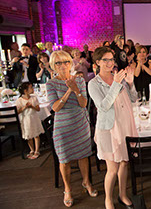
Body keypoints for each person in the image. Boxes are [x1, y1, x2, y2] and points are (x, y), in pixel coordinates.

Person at [88, 47, 138, 209]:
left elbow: (133, 99)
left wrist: (130, 84)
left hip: (124, 126)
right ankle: (108, 199)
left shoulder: (119, 78)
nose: (110, 63)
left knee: (124, 163)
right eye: (106, 60)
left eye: (112, 59)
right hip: (108, 129)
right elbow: (103, 106)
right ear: (97, 62)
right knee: (112, 169)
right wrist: (116, 84)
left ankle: (122, 194)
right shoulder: (93, 84)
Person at [46, 50, 97, 207]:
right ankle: (67, 189)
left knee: (83, 155)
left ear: (71, 63)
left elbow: (83, 104)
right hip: (62, 125)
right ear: (53, 66)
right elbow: (55, 107)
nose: (63, 66)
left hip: (80, 123)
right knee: (64, 159)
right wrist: (69, 90)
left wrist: (75, 88)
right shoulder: (51, 84)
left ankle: (86, 182)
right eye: (58, 63)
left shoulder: (80, 80)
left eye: (66, 62)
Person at [16, 82, 44, 160]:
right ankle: (31, 149)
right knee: (29, 135)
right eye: (31, 87)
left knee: (36, 134)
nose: (32, 89)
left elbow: (38, 109)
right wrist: (25, 107)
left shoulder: (34, 98)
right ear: (25, 90)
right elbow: (18, 111)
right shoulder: (19, 100)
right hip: (26, 119)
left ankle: (37, 150)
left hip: (34, 118)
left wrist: (32, 106)